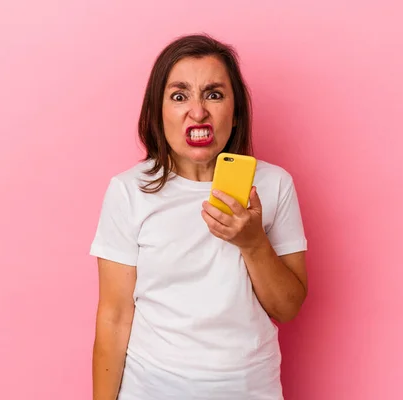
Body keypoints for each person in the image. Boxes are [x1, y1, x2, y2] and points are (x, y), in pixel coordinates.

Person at [90, 33, 308, 400]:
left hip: (249, 389)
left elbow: (287, 309)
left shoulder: (274, 186)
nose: (198, 110)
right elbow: (113, 317)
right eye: (179, 96)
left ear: (235, 111)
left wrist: (252, 243)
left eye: (214, 94)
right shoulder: (129, 191)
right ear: (158, 112)